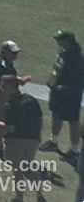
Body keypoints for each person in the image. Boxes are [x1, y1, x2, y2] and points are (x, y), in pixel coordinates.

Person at [0, 72, 44, 182]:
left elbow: (10, 128)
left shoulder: (10, 105)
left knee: (17, 170)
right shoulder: (31, 99)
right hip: (33, 139)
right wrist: (38, 135)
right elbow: (40, 119)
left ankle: (19, 197)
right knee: (31, 167)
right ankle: (39, 194)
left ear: (11, 87)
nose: (2, 89)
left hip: (16, 140)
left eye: (3, 86)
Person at [51, 29, 84, 160]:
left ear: (68, 41)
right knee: (56, 114)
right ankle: (53, 141)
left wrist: (66, 87)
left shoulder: (78, 57)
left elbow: (80, 78)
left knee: (72, 120)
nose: (58, 42)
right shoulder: (64, 51)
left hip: (71, 95)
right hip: (56, 90)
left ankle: (75, 150)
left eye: (60, 40)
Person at [0, 41, 21, 158]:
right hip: (0, 95)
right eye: (13, 53)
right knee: (0, 120)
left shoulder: (8, 63)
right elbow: (0, 83)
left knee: (5, 120)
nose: (15, 55)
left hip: (6, 94)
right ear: (4, 52)